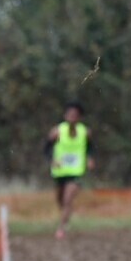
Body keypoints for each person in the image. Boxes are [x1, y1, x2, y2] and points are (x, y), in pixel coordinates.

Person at [46, 100, 93, 240]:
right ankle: (65, 218)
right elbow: (46, 148)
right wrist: (52, 160)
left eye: (75, 115)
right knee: (60, 199)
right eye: (70, 114)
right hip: (60, 171)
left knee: (68, 199)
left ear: (79, 117)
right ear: (65, 115)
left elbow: (91, 148)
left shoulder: (85, 132)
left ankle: (61, 228)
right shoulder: (57, 131)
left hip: (76, 171)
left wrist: (90, 159)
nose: (72, 117)